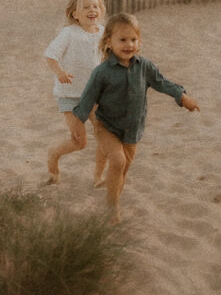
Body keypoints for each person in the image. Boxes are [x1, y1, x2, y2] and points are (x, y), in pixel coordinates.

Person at [72, 11, 199, 222]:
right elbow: (87, 99)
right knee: (118, 161)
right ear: (109, 42)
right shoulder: (102, 72)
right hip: (107, 127)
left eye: (133, 39)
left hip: (132, 129)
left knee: (122, 170)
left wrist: (182, 96)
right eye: (122, 39)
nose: (129, 44)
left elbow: (162, 82)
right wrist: (78, 124)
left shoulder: (144, 67)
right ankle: (111, 207)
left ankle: (113, 199)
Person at [44, 0, 106, 184]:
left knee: (104, 136)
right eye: (86, 7)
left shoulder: (103, 32)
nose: (92, 10)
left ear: (101, 10)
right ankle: (53, 154)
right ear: (75, 14)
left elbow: (110, 56)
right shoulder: (69, 33)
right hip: (70, 95)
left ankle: (98, 177)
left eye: (95, 6)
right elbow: (50, 55)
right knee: (79, 142)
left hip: (95, 95)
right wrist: (60, 72)